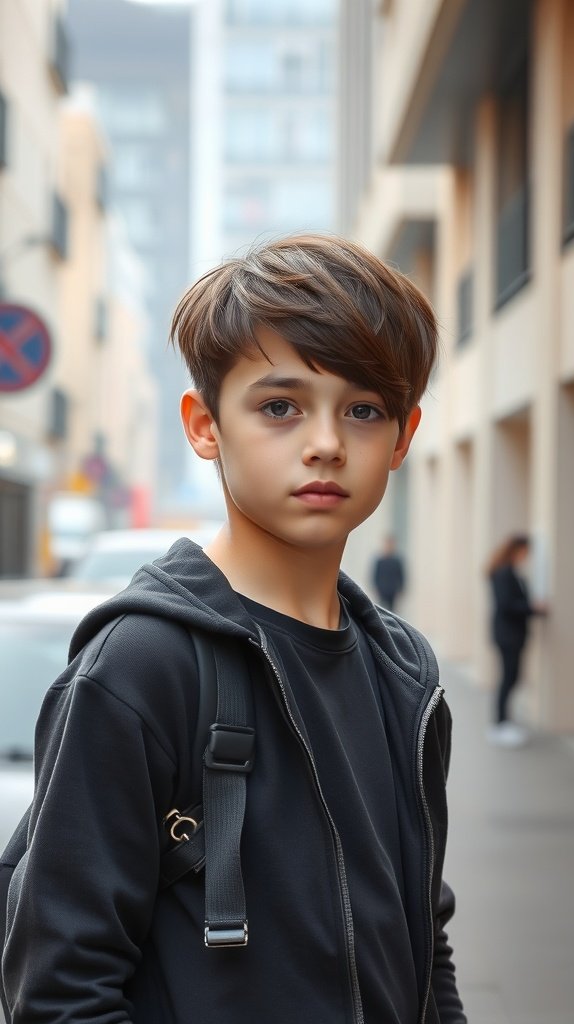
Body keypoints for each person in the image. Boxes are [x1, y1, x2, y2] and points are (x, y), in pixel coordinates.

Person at [3, 235, 467, 1024]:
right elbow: (59, 991)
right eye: (279, 406)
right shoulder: (142, 668)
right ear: (205, 425)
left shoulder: (404, 670)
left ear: (403, 436)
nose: (325, 442)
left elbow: (425, 942)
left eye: (362, 409)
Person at [485, 533, 547, 747]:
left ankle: (504, 722)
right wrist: (533, 608)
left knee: (512, 677)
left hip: (512, 634)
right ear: (516, 550)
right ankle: (500, 724)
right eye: (525, 552)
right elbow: (507, 605)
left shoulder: (509, 572)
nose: (526, 556)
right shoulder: (504, 573)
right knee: (509, 678)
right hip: (508, 635)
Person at [372, 534, 405, 610]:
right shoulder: (380, 561)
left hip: (392, 591)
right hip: (382, 590)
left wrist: (400, 589)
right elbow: (375, 576)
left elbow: (401, 576)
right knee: (381, 610)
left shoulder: (397, 561)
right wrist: (376, 588)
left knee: (391, 611)